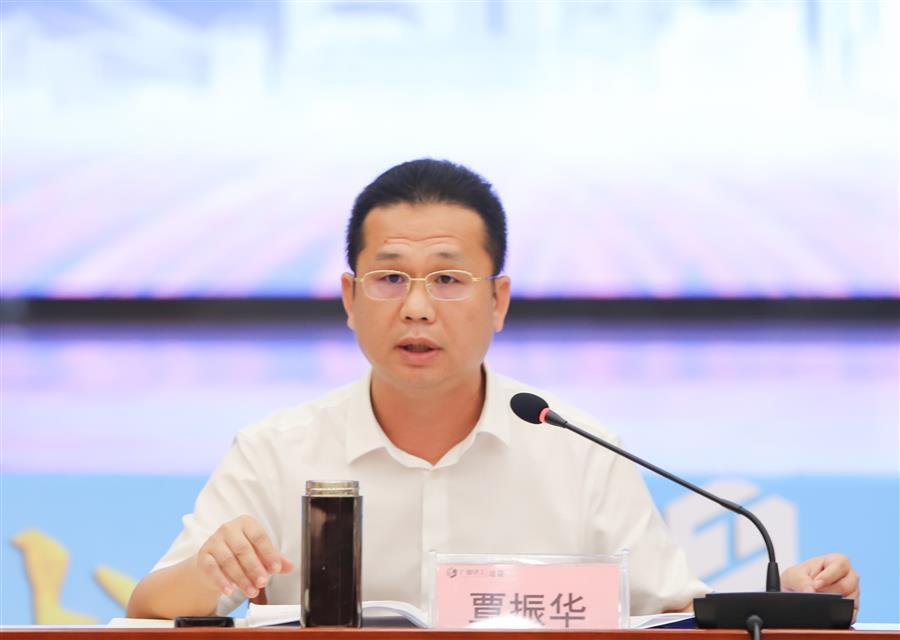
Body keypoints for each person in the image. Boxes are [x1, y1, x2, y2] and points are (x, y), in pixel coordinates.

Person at [127, 159, 860, 621]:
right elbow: (149, 607)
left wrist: (786, 603)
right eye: (389, 278)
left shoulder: (577, 449)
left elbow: (669, 613)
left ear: (498, 300)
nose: (417, 308)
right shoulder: (276, 451)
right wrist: (210, 571)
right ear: (349, 297)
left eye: (448, 279)